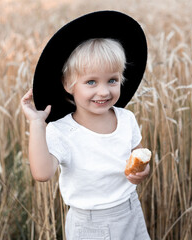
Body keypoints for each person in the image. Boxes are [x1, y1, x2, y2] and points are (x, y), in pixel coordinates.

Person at [21, 11, 150, 240]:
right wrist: (38, 124)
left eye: (112, 80)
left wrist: (143, 171)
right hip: (91, 225)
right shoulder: (62, 131)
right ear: (68, 84)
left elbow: (138, 153)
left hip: (131, 211)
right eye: (91, 82)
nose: (103, 91)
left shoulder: (126, 118)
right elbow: (42, 173)